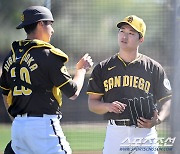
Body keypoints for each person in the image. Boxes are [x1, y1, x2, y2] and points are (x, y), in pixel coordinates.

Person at [0, 6, 93, 154]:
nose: (52, 29)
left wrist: (19, 121)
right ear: (40, 24)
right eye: (50, 23)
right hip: (43, 127)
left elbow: (5, 93)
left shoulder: (10, 57)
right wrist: (81, 70)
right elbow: (73, 92)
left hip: (18, 127)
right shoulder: (48, 54)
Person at [87, 15, 172, 154]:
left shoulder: (153, 68)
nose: (124, 36)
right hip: (116, 132)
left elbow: (167, 100)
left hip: (145, 133)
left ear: (141, 39)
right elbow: (92, 103)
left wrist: (158, 119)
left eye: (131, 33)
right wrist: (108, 106)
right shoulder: (103, 68)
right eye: (122, 31)